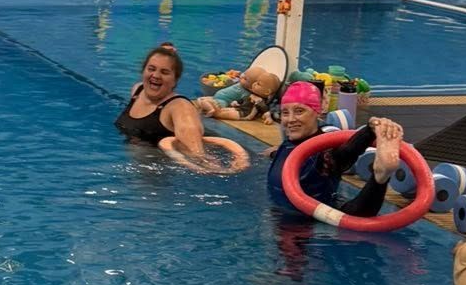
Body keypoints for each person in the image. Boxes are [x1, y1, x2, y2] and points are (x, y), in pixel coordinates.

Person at [266, 82, 405, 216]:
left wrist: (370, 130)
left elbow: (344, 153)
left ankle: (380, 177)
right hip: (284, 212)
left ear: (317, 111)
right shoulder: (287, 145)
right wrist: (274, 153)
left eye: (299, 111)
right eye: (285, 113)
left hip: (309, 226)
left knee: (354, 214)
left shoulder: (324, 152)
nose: (290, 119)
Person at [115, 44, 249, 172]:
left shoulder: (180, 108)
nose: (155, 75)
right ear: (143, 71)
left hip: (152, 174)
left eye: (164, 72)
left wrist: (213, 166)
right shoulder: (138, 90)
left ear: (175, 80)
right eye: (151, 69)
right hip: (125, 162)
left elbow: (198, 155)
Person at [196, 61, 283, 121]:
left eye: (258, 84)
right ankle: (213, 109)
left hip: (244, 114)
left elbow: (264, 109)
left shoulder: (257, 99)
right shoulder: (248, 92)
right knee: (210, 104)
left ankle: (213, 111)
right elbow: (242, 100)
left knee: (222, 113)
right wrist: (236, 102)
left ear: (267, 92)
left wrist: (268, 117)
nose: (254, 85)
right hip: (238, 108)